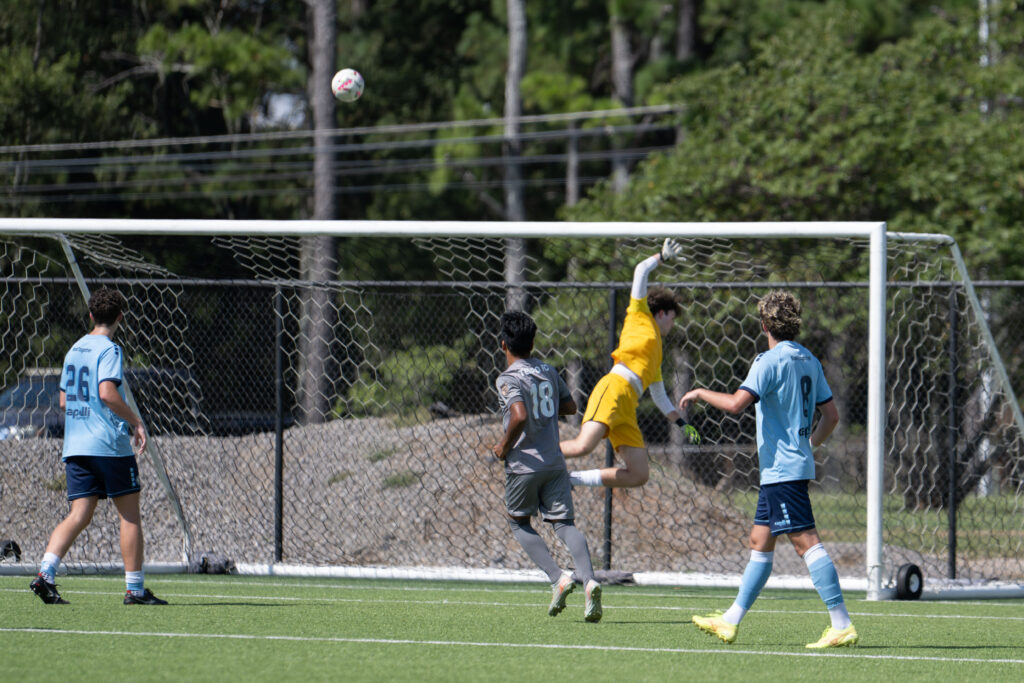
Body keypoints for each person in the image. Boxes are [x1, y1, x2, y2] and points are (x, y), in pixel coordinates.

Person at [680, 290, 855, 649]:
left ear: (764, 325)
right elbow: (831, 416)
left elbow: (734, 404)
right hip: (787, 468)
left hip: (782, 471)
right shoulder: (809, 359)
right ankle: (730, 621)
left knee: (807, 544)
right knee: (760, 542)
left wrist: (698, 392)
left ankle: (841, 623)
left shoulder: (768, 361)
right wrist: (809, 444)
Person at [30, 287, 167, 606]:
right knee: (130, 516)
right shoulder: (110, 349)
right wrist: (136, 421)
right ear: (120, 317)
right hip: (108, 444)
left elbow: (64, 400)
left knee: (79, 513)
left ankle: (45, 574)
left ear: (91, 315)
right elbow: (107, 393)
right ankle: (134, 590)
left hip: (76, 445)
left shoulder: (74, 349)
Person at [561, 238, 701, 488]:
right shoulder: (639, 314)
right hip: (615, 389)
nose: (673, 323)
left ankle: (569, 480)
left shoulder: (657, 353)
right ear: (662, 313)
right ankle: (526, 457)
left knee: (638, 474)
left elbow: (659, 397)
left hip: (628, 406)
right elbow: (640, 270)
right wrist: (662, 257)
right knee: (583, 446)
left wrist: (681, 423)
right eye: (672, 317)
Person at [492, 311, 602, 623]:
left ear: (504, 345)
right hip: (554, 461)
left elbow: (519, 415)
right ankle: (589, 580)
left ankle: (558, 577)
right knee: (564, 525)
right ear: (533, 342)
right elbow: (570, 407)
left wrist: (503, 446)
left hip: (524, 464)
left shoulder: (508, 377)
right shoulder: (548, 370)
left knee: (518, 522)